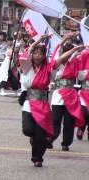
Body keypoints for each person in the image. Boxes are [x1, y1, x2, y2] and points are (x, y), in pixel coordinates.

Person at [19, 34, 84, 167]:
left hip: (42, 104)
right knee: (27, 129)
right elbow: (28, 51)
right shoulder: (27, 66)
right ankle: (38, 138)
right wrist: (40, 40)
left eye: (40, 54)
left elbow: (61, 58)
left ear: (44, 56)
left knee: (40, 133)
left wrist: (76, 49)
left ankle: (37, 158)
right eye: (35, 53)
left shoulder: (48, 68)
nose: (37, 56)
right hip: (29, 104)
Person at [50, 32, 85, 151]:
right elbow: (58, 51)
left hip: (71, 96)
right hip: (58, 95)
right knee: (55, 120)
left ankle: (66, 143)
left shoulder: (74, 61)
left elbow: (80, 56)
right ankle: (51, 138)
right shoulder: (57, 62)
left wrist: (80, 47)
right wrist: (65, 39)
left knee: (69, 121)